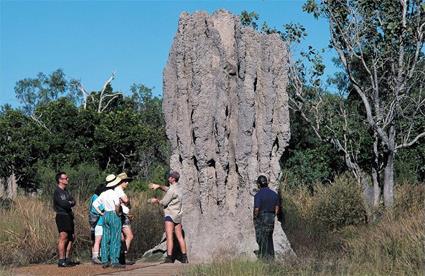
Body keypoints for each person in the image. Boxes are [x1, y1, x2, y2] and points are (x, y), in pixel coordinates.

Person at [149, 171, 188, 263]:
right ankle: (184, 258)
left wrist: (155, 200)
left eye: (170, 177)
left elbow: (164, 202)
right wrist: (159, 186)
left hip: (170, 215)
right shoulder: (179, 188)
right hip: (178, 215)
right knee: (180, 237)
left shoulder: (171, 190)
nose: (168, 178)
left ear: (173, 179)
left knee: (169, 236)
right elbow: (168, 189)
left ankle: (169, 258)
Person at [92, 174, 125, 269]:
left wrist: (101, 213)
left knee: (106, 238)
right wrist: (118, 213)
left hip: (105, 214)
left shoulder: (103, 193)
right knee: (115, 237)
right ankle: (114, 261)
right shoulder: (114, 193)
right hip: (114, 214)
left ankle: (105, 260)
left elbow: (95, 204)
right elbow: (117, 205)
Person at [53, 171, 78, 267]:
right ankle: (61, 260)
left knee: (71, 237)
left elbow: (73, 201)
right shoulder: (57, 192)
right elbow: (64, 204)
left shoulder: (66, 191)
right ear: (60, 180)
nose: (68, 179)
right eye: (65, 178)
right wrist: (69, 203)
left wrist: (69, 202)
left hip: (69, 216)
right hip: (62, 215)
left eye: (67, 178)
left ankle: (67, 259)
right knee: (63, 237)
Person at [253, 175, 280, 260]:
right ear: (267, 183)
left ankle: (264, 258)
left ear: (259, 184)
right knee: (269, 236)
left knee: (262, 238)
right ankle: (271, 257)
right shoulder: (274, 194)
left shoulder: (258, 195)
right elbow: (277, 208)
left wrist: (255, 217)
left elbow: (257, 208)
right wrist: (273, 215)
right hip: (271, 217)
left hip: (262, 216)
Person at [115, 172, 134, 265]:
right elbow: (126, 200)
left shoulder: (118, 190)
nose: (127, 183)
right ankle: (122, 256)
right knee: (129, 236)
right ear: (120, 182)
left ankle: (120, 256)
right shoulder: (119, 190)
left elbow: (125, 201)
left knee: (122, 237)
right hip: (122, 216)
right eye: (125, 181)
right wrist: (126, 201)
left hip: (123, 215)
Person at [88, 185, 106, 264]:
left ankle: (98, 256)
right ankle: (96, 257)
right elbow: (96, 208)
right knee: (98, 240)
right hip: (99, 222)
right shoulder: (96, 197)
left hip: (96, 222)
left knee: (97, 240)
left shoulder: (94, 196)